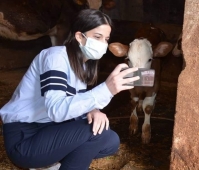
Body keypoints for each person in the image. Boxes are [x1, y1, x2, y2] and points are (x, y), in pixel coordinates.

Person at [0, 9, 139, 170]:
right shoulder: (56, 57)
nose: (103, 44)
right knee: (94, 132)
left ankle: (56, 164)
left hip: (49, 130)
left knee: (110, 140)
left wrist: (92, 110)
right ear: (79, 37)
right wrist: (106, 90)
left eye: (106, 39)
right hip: (25, 138)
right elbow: (57, 110)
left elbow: (72, 103)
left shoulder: (82, 66)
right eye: (97, 37)